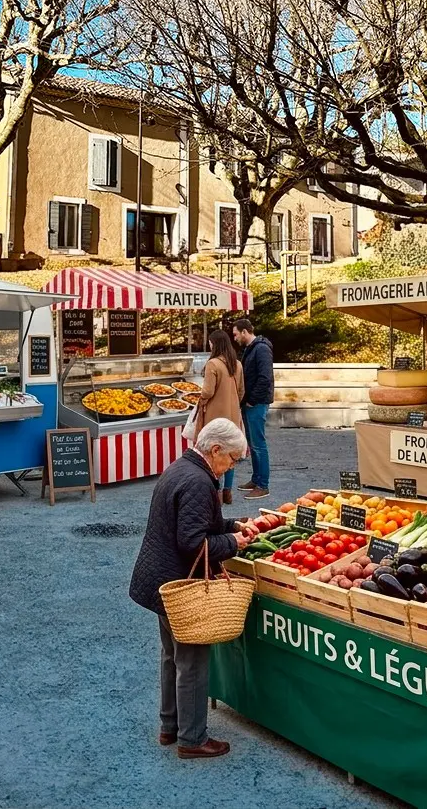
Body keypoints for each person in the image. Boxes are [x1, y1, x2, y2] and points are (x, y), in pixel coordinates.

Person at [129, 418, 258, 759]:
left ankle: (169, 727)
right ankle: (192, 739)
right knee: (193, 663)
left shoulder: (180, 468)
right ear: (215, 450)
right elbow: (192, 542)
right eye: (231, 459)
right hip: (180, 581)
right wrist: (232, 542)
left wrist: (235, 525)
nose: (231, 467)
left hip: (161, 581)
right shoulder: (200, 482)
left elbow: (198, 522)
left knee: (171, 656)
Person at [195, 330, 246, 505]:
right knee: (230, 454)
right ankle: (227, 492)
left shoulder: (213, 364)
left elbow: (208, 391)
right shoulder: (237, 364)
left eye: (210, 343)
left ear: (214, 344)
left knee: (212, 453)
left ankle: (214, 493)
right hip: (233, 415)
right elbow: (241, 391)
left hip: (215, 416)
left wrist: (200, 399)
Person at [232, 317, 274, 499]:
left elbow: (265, 377)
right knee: (253, 443)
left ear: (244, 332)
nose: (234, 339)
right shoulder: (252, 349)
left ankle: (263, 485)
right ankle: (256, 479)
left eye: (235, 335)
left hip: (256, 403)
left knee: (258, 444)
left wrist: (252, 399)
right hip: (251, 402)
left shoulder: (261, 349)